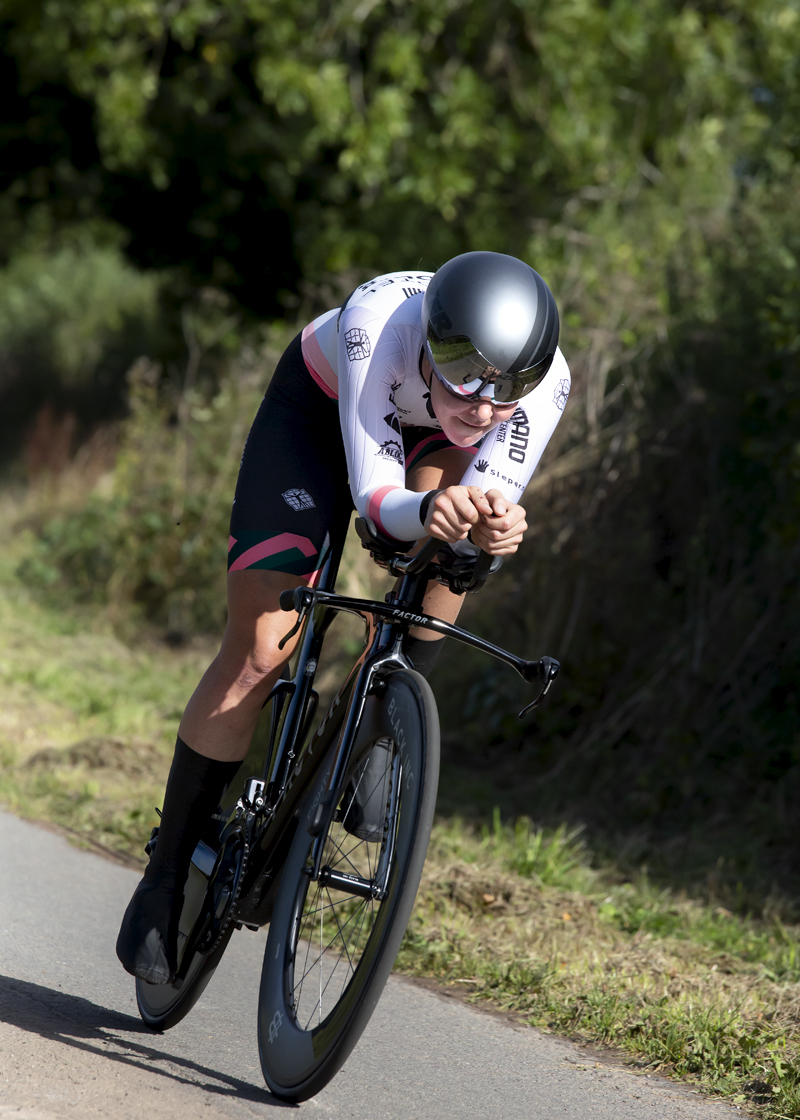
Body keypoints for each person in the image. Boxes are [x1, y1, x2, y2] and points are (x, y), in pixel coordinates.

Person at [116, 250, 571, 985]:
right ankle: (165, 872)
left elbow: (485, 500)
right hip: (321, 421)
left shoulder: (542, 388)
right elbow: (379, 507)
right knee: (263, 647)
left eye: (506, 392)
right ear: (431, 344)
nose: (484, 409)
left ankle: (387, 719)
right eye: (466, 381)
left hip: (418, 449)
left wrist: (489, 531)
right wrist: (426, 510)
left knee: (459, 548)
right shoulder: (377, 321)